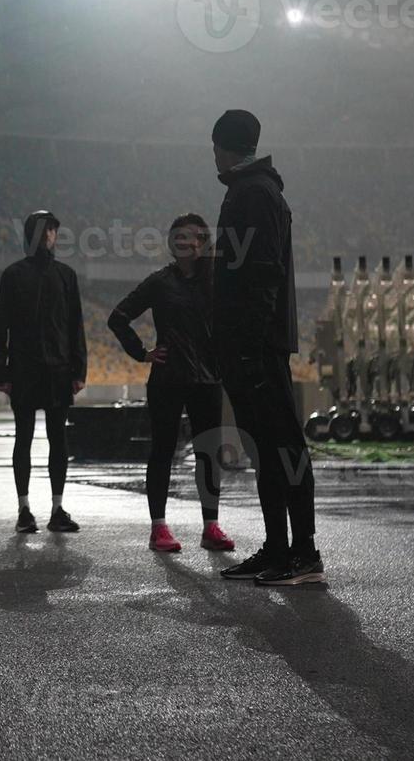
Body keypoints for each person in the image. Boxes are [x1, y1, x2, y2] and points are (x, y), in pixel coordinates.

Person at [209, 109, 323, 587]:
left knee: (284, 448)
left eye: (214, 145)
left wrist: (249, 347)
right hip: (252, 344)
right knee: (268, 450)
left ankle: (304, 555)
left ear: (223, 145)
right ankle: (279, 549)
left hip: (256, 347)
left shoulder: (253, 193)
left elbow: (262, 276)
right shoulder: (254, 190)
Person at [108, 214, 235, 553]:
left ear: (204, 242)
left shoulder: (218, 281)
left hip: (208, 379)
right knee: (163, 451)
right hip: (167, 378)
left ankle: (211, 527)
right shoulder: (159, 281)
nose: (183, 241)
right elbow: (117, 317)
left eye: (191, 236)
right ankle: (159, 528)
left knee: (209, 453)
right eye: (177, 236)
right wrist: (142, 353)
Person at [0, 210, 86, 534]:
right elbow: (0, 325)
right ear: (34, 234)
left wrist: (79, 368)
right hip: (24, 371)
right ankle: (24, 510)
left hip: (59, 370)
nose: (52, 235)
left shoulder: (66, 275)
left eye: (54, 230)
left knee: (58, 439)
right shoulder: (13, 274)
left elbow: (76, 326)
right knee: (24, 438)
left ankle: (57, 508)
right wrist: (1, 370)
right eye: (47, 230)